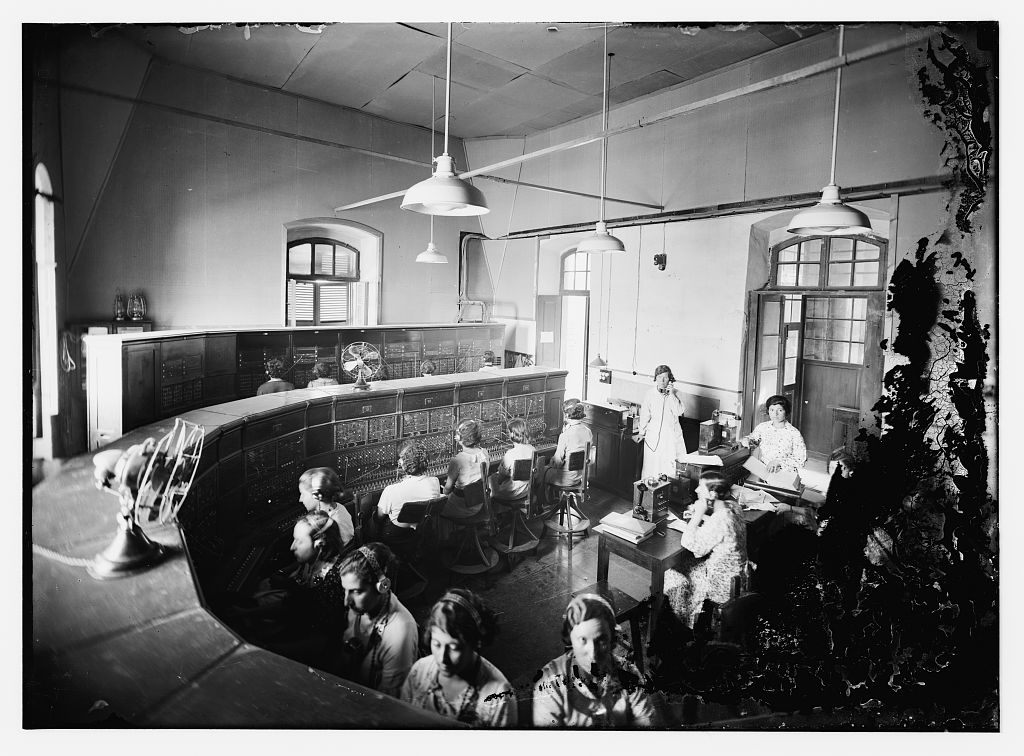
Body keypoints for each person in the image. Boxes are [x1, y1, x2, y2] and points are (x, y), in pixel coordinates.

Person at [225, 511, 348, 669]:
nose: (292, 547)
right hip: (296, 635)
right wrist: (244, 612)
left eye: (299, 541)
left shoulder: (333, 580)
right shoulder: (310, 565)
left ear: (319, 544)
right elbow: (291, 607)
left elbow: (321, 642)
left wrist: (269, 650)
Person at [533, 593, 658, 728]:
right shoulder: (549, 685)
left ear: (612, 639)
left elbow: (645, 726)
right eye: (583, 640)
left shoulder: (629, 674)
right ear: (570, 641)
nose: (593, 653)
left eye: (601, 640)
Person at [401, 589, 516, 727]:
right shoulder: (420, 671)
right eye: (437, 644)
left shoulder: (499, 697)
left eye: (454, 648)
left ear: (475, 643)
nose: (443, 658)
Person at [663, 470, 748, 629]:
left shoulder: (719, 520)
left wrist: (697, 516)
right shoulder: (733, 507)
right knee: (686, 566)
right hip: (738, 576)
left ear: (712, 494)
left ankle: (681, 626)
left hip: (721, 583)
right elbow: (721, 525)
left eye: (700, 487)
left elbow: (691, 545)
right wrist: (702, 516)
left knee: (671, 574)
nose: (696, 490)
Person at [337, 543, 419, 698]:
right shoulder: (359, 607)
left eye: (356, 591)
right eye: (345, 591)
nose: (346, 602)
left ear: (382, 586)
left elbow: (389, 702)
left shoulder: (400, 632)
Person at [375, 440, 442, 544]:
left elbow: (379, 517)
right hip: (423, 532)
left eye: (402, 458)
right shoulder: (434, 482)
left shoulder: (391, 490)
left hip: (396, 535)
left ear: (404, 464)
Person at [636, 365, 687, 479]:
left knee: (668, 468)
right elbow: (645, 414)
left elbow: (679, 411)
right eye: (659, 377)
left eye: (665, 377)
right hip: (653, 436)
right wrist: (641, 432)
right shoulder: (650, 394)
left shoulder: (676, 393)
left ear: (670, 379)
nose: (662, 380)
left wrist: (671, 395)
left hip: (669, 437)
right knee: (651, 467)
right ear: (656, 378)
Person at [538, 401, 593, 505]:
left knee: (542, 470)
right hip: (579, 477)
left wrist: (549, 462)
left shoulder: (565, 435)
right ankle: (555, 501)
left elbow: (557, 463)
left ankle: (542, 504)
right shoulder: (588, 431)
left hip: (566, 479)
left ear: (567, 415)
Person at [740, 394, 807, 476]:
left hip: (784, 473)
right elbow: (753, 439)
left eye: (780, 410)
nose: (775, 414)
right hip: (763, 470)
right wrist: (747, 440)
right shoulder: (763, 427)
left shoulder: (794, 433)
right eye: (772, 410)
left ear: (786, 411)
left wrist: (779, 462)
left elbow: (800, 459)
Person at [442, 419, 491, 521]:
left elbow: (447, 489)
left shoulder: (457, 460)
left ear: (459, 437)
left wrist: (443, 494)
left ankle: (447, 536)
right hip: (478, 505)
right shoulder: (485, 453)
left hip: (460, 507)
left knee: (435, 506)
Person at [298, 467, 356, 548]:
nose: (300, 499)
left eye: (303, 494)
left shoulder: (331, 525)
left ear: (317, 495)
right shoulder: (339, 507)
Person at [489, 418, 535, 501]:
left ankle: (495, 511)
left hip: (512, 493)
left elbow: (500, 477)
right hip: (527, 491)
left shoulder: (510, 454)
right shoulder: (533, 449)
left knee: (491, 478)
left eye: (509, 432)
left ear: (513, 434)